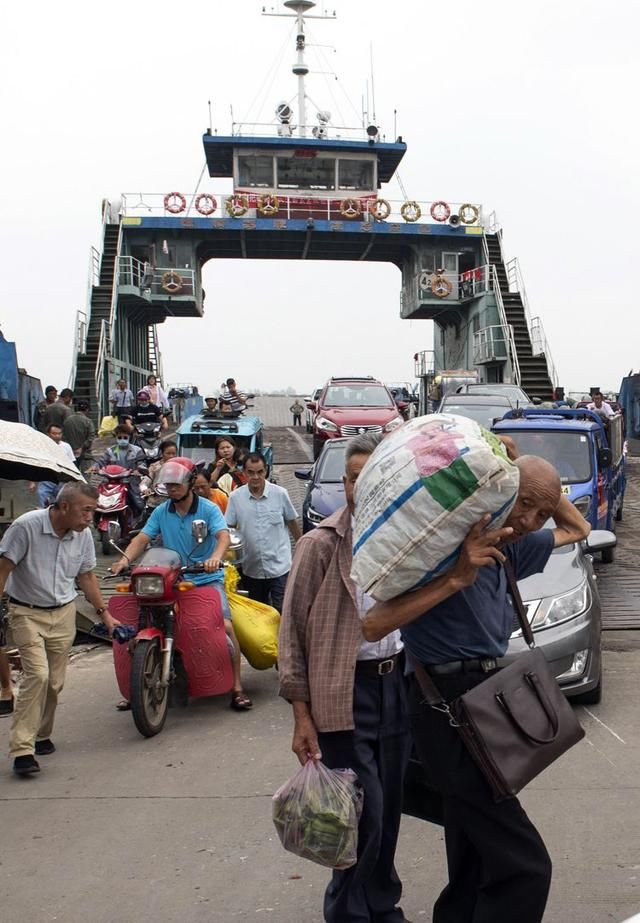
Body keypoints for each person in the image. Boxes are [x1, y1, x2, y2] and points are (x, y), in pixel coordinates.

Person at [361, 453, 591, 923]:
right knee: (526, 866)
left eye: (541, 513)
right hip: (442, 703)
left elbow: (579, 530)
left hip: (488, 694)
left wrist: (543, 493)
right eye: (523, 503)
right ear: (500, 491)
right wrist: (456, 578)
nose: (529, 520)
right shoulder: (439, 548)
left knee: (470, 842)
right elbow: (373, 624)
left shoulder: (512, 545)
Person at [279, 433, 412, 923]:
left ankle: (383, 905)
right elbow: (291, 632)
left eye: (373, 474)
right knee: (364, 814)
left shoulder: (407, 537)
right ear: (345, 482)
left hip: (395, 685)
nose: (363, 484)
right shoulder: (320, 545)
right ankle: (347, 912)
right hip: (342, 693)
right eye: (354, 476)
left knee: (391, 810)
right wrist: (301, 714)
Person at [110, 458, 252, 711]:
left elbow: (222, 536)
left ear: (190, 482)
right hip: (173, 579)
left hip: (206, 579)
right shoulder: (161, 511)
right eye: (168, 485)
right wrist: (123, 560)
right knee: (139, 625)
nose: (172, 489)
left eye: (176, 484)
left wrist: (215, 558)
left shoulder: (208, 509)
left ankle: (237, 688)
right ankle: (137, 687)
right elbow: (143, 538)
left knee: (226, 628)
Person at [0, 483, 119, 776]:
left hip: (64, 613)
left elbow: (88, 577)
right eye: (86, 510)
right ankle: (22, 749)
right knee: (37, 676)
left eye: (93, 510)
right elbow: (3, 568)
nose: (90, 517)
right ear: (64, 507)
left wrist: (106, 615)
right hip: (26, 611)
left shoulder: (83, 536)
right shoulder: (26, 527)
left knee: (54, 683)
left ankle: (41, 734)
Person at [225, 452, 301, 611]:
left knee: (283, 609)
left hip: (280, 566)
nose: (255, 477)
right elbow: (228, 529)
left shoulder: (280, 494)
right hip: (251, 568)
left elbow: (292, 523)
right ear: (244, 473)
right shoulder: (235, 498)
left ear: (265, 471)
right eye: (251, 472)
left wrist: (302, 551)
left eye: (260, 472)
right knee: (259, 612)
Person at [92, 425, 146, 514]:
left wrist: (140, 469)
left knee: (139, 505)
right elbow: (102, 461)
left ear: (129, 437)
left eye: (125, 437)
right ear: (116, 437)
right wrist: (95, 467)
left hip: (131, 482)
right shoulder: (110, 451)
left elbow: (141, 463)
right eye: (120, 437)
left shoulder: (137, 450)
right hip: (112, 482)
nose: (122, 439)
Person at [28, 424, 77, 508]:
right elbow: (35, 463)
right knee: (43, 499)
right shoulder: (42, 446)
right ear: (48, 434)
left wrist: (74, 478)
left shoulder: (66, 447)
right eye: (54, 433)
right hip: (46, 479)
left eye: (59, 433)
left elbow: (72, 463)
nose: (57, 436)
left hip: (62, 479)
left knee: (62, 502)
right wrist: (32, 481)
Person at [62, 400, 95, 473]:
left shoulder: (67, 420)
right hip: (85, 453)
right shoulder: (88, 421)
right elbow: (91, 437)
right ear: (87, 410)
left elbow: (63, 436)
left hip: (70, 453)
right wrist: (81, 447)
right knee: (86, 475)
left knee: (71, 475)